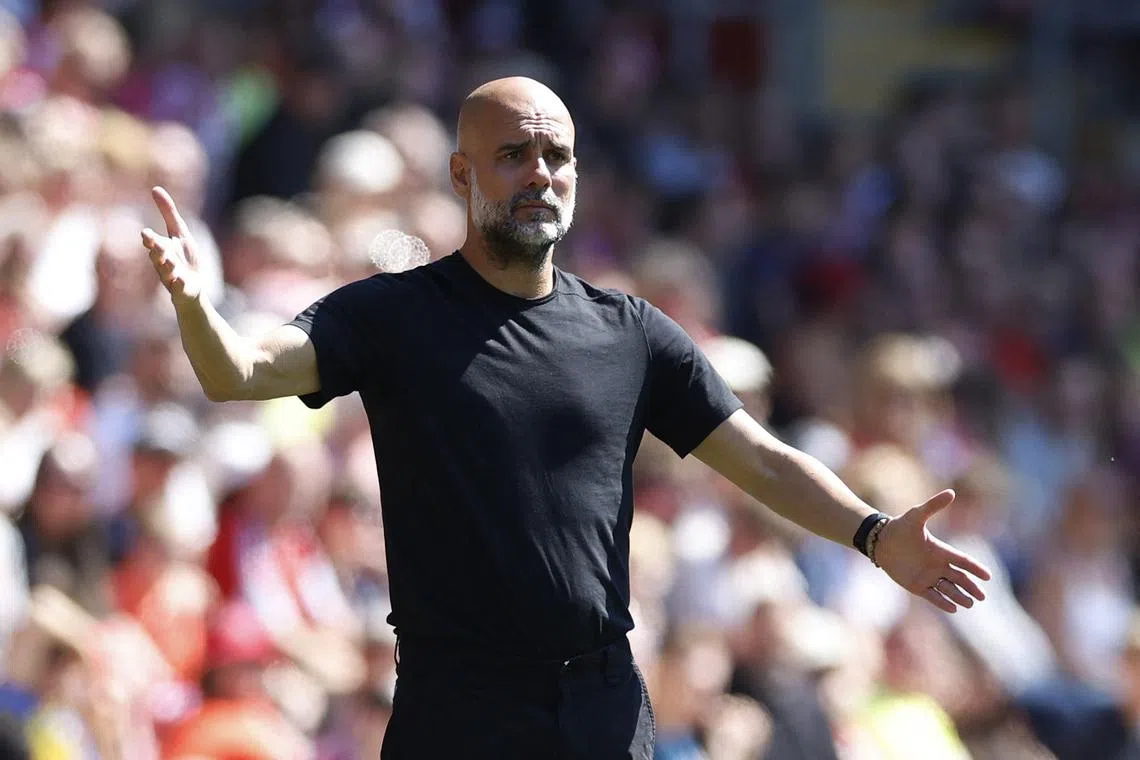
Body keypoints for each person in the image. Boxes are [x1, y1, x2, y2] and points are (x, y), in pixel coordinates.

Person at [140, 76, 992, 759]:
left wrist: (873, 534)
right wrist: (195, 307)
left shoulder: (632, 332)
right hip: (456, 710)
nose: (540, 174)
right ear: (462, 175)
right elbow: (238, 372)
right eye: (513, 155)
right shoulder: (391, 315)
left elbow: (762, 460)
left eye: (558, 156)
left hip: (599, 707)